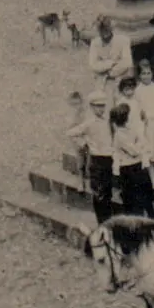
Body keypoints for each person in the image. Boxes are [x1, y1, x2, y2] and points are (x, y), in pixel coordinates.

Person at [67, 92, 117, 223]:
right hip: (96, 160)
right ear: (91, 107)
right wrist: (84, 143)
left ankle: (108, 220)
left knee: (107, 191)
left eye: (102, 106)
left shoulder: (107, 121)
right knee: (98, 192)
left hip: (108, 159)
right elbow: (71, 133)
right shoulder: (89, 123)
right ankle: (102, 221)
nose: (101, 109)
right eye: (97, 106)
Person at [111, 101, 154, 217]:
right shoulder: (119, 135)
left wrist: (139, 142)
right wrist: (140, 143)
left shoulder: (130, 129)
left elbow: (142, 140)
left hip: (137, 166)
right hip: (128, 170)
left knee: (146, 197)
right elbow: (134, 151)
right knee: (132, 202)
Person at [88, 17, 134, 94]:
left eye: (106, 28)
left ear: (111, 28)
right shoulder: (95, 43)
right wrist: (110, 63)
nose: (104, 32)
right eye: (101, 29)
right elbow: (93, 64)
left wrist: (109, 73)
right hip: (102, 80)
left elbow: (127, 62)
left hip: (121, 77)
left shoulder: (123, 40)